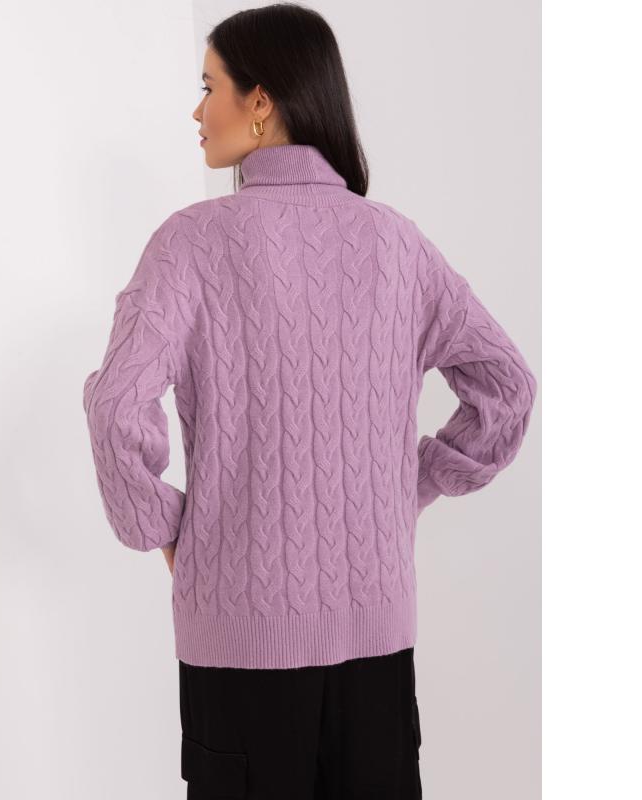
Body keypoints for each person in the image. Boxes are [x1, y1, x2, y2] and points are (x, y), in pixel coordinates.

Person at [82, 4, 537, 798]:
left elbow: (114, 406)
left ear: (261, 100)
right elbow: (508, 387)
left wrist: (171, 534)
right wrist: (410, 485)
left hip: (240, 656)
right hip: (378, 655)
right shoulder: (397, 244)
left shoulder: (189, 243)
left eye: (210, 87)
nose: (197, 111)